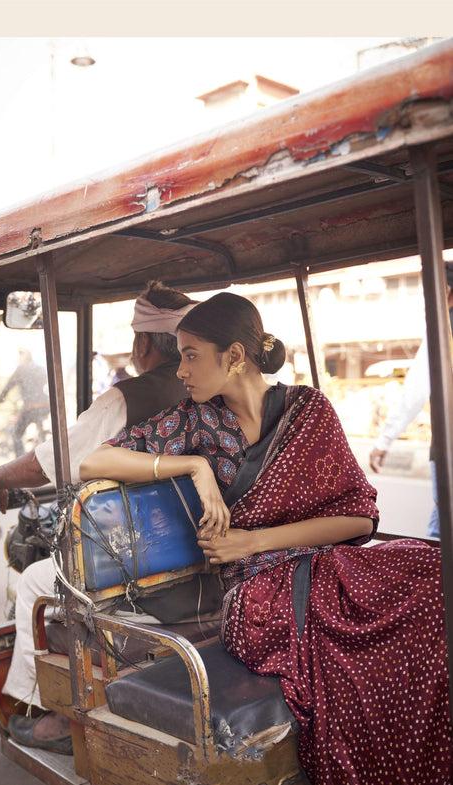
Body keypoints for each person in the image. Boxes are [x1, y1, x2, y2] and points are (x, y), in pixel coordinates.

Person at [81, 292, 452, 785]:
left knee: (434, 576)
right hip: (254, 599)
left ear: (234, 356)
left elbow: (359, 520)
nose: (182, 370)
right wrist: (192, 466)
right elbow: (94, 461)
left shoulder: (308, 411)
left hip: (318, 566)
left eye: (191, 355)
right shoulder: (194, 423)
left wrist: (253, 540)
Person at [0, 281, 224, 754]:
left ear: (143, 343)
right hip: (204, 558)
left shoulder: (126, 399)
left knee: (35, 582)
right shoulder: (211, 395)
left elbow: (54, 462)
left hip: (144, 566)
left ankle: (50, 713)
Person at [369, 261, 453, 538]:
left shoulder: (443, 331)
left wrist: (383, 441)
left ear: (447, 293)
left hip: (448, 448)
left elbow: (416, 390)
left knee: (440, 534)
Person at [0, 349, 50, 456]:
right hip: (46, 407)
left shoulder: (21, 370)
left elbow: (9, 386)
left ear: (23, 358)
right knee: (40, 429)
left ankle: (19, 459)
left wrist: (0, 399)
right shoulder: (41, 369)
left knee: (16, 434)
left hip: (31, 408)